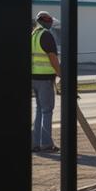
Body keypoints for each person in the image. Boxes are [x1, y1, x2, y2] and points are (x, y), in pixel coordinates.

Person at [31, 11, 62, 153]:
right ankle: (46, 144)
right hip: (45, 79)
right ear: (45, 21)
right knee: (47, 111)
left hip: (34, 78)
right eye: (49, 20)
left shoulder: (33, 35)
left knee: (39, 110)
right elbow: (52, 58)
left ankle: (35, 143)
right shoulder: (46, 35)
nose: (51, 23)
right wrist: (61, 74)